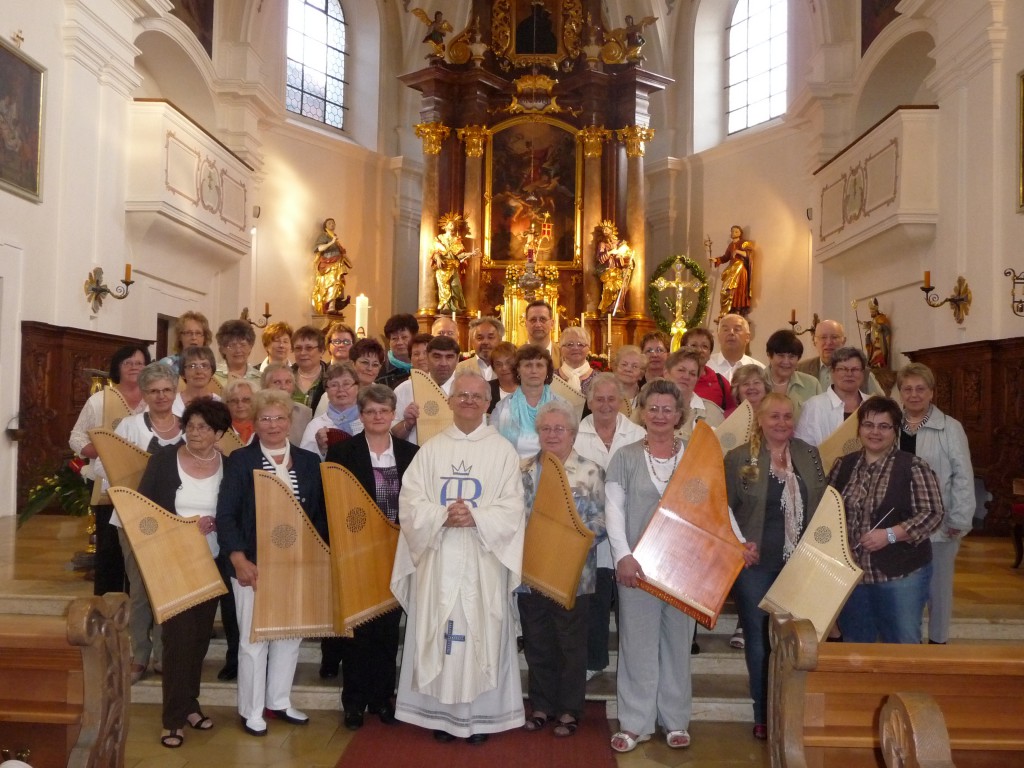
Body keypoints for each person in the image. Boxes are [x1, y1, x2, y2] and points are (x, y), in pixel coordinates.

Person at [391, 370, 526, 743]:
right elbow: (411, 500)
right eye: (461, 395)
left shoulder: (501, 450)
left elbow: (513, 506)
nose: (468, 401)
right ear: (450, 402)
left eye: (476, 397)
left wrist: (477, 516)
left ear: (487, 404)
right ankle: (441, 715)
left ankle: (481, 717)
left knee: (484, 631)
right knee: (440, 631)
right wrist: (442, 515)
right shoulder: (432, 449)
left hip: (484, 558)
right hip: (439, 555)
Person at [216, 389, 327, 737]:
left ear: (290, 421)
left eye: (280, 418)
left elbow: (319, 517)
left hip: (297, 565)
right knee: (254, 638)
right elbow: (227, 514)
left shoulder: (309, 463)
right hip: (255, 564)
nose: (273, 425)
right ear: (254, 423)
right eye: (265, 418)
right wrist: (238, 559)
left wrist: (316, 560)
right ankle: (252, 709)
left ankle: (279, 700)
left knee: (289, 636)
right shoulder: (240, 461)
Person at [724, 393, 827, 739]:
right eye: (774, 417)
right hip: (755, 563)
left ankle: (791, 711)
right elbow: (723, 508)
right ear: (760, 420)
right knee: (759, 639)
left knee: (795, 639)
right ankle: (763, 713)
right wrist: (739, 544)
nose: (781, 423)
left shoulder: (808, 455)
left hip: (799, 563)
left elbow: (821, 502)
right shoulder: (739, 458)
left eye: (787, 417)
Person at [137, 398, 232, 748]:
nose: (195, 433)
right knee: (177, 641)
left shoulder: (229, 465)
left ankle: (190, 705)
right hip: (171, 562)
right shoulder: (164, 460)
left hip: (212, 562)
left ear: (219, 433)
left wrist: (219, 524)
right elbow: (143, 511)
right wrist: (183, 526)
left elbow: (236, 510)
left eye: (204, 427)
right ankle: (173, 719)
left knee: (199, 639)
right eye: (190, 425)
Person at [606, 379, 694, 753]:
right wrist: (623, 556)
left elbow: (714, 508)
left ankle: (675, 720)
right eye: (652, 408)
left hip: (685, 569)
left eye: (667, 409)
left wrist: (737, 542)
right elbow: (614, 512)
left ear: (679, 415)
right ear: (642, 412)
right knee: (637, 645)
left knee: (677, 644)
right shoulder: (624, 456)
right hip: (637, 569)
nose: (659, 415)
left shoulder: (694, 454)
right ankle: (635, 722)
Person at [324, 384, 418, 727]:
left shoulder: (411, 453)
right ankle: (354, 701)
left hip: (397, 549)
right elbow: (329, 504)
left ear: (393, 413)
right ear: (361, 416)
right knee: (358, 628)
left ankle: (382, 698)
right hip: (358, 551)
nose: (378, 417)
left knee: (387, 629)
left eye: (383, 411)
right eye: (370, 412)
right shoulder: (342, 454)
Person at [519, 400, 605, 738]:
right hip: (531, 572)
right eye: (546, 429)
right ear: (537, 433)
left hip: (573, 573)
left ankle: (569, 710)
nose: (552, 434)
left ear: (572, 433)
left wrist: (573, 543)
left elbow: (601, 520)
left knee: (571, 645)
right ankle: (541, 706)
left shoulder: (590, 470)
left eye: (560, 429)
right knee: (538, 641)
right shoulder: (522, 469)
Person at [828, 397, 944, 643]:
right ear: (859, 429)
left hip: (901, 576)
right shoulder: (843, 466)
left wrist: (890, 534)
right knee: (857, 647)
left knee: (902, 644)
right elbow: (828, 512)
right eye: (869, 425)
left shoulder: (913, 467)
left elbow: (933, 514)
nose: (875, 432)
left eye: (884, 426)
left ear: (896, 430)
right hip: (854, 577)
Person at [101, 361, 181, 684]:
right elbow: (109, 470)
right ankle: (139, 654)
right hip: (133, 518)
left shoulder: (189, 427)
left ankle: (164, 653)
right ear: (144, 394)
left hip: (176, 519)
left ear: (175, 392)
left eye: (167, 390)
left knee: (168, 588)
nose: (161, 396)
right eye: (154, 391)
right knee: (138, 589)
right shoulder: (129, 427)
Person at [573, 373, 645, 682]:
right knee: (596, 600)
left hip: (632, 529)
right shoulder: (575, 434)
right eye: (598, 399)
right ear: (588, 402)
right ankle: (594, 660)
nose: (605, 405)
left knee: (632, 605)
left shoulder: (638, 434)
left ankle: (635, 666)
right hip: (590, 531)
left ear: (621, 402)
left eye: (611, 399)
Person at [897, 363, 974, 644]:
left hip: (938, 523)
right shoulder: (892, 425)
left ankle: (938, 643)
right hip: (900, 522)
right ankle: (907, 639)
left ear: (931, 392)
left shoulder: (950, 428)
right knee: (903, 587)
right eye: (908, 389)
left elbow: (963, 476)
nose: (914, 395)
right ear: (900, 393)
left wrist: (960, 519)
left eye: (920, 389)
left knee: (938, 590)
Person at [69, 344, 150, 596]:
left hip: (147, 488)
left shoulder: (156, 397)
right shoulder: (100, 399)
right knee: (110, 554)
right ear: (117, 368)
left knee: (144, 555)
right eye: (129, 363)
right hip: (109, 488)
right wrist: (105, 452)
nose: (135, 367)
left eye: (140, 363)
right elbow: (76, 438)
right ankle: (108, 611)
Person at [492, 345, 559, 458]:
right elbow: (493, 448)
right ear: (517, 369)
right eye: (528, 365)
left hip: (551, 473)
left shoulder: (562, 407)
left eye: (539, 365)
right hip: (511, 471)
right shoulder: (503, 408)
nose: (534, 371)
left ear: (547, 370)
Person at [391, 335, 460, 445]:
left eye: (449, 357)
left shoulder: (467, 390)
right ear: (427, 358)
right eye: (437, 357)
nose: (443, 363)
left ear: (457, 359)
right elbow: (393, 435)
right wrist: (408, 423)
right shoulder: (404, 389)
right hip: (415, 457)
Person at [794, 347, 869, 446]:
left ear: (863, 373)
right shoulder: (813, 406)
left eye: (855, 369)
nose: (849, 374)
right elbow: (803, 448)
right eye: (842, 369)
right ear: (832, 372)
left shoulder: (872, 404)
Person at [796, 319, 884, 395]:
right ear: (815, 342)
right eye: (823, 337)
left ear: (844, 341)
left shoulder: (863, 373)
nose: (829, 342)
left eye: (834, 337)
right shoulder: (800, 369)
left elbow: (881, 405)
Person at [300, 362, 362, 457]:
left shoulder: (370, 421)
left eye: (346, 384)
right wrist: (322, 450)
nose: (341, 389)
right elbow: (305, 465)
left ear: (357, 387)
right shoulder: (315, 426)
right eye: (334, 385)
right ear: (326, 391)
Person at [764, 329, 821, 419]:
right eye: (781, 356)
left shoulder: (812, 384)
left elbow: (820, 419)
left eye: (792, 357)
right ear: (769, 356)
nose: (786, 362)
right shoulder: (756, 383)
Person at [664, 348, 724, 433]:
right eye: (681, 370)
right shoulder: (647, 407)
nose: (686, 377)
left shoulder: (713, 413)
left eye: (692, 374)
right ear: (666, 373)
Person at [681, 327, 736, 414]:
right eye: (694, 345)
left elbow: (732, 414)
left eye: (705, 346)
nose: (699, 350)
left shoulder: (721, 383)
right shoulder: (672, 378)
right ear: (683, 350)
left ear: (710, 354)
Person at [261, 364, 313, 446]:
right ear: (265, 385)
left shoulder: (305, 413)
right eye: (277, 382)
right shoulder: (256, 412)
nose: (283, 387)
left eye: (288, 382)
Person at [311, 217, 352, 315]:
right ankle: (330, 306)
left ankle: (333, 305)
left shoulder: (335, 238)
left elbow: (342, 252)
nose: (332, 224)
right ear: (325, 226)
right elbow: (319, 248)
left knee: (337, 284)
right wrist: (331, 242)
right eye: (329, 223)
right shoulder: (324, 236)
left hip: (337, 264)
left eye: (333, 223)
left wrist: (349, 262)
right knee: (332, 284)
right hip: (328, 264)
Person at [712, 225, 752, 318]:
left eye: (736, 231)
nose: (733, 233)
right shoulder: (730, 245)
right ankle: (728, 309)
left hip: (740, 268)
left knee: (737, 289)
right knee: (726, 289)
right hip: (732, 268)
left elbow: (748, 254)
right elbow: (726, 257)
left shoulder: (744, 243)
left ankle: (737, 308)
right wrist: (716, 260)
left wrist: (738, 251)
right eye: (732, 231)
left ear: (740, 233)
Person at [708, 314, 764, 380]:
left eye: (737, 329)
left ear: (747, 337)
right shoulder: (706, 364)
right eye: (726, 329)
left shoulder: (760, 370)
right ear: (718, 336)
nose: (731, 333)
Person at [432, 218, 470, 312]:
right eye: (451, 224)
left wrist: (469, 254)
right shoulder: (439, 238)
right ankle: (445, 306)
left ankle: (455, 305)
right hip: (443, 266)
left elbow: (460, 254)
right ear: (445, 226)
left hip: (453, 266)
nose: (454, 227)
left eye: (455, 225)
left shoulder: (457, 240)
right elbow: (434, 251)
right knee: (443, 286)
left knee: (456, 285)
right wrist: (438, 258)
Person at [291, 325, 329, 411]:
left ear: (322, 351)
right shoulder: (285, 376)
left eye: (309, 348)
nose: (303, 353)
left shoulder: (332, 377)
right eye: (298, 348)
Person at [213, 320, 260, 388]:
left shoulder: (260, 379)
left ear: (250, 347)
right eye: (232, 345)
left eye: (243, 345)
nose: (238, 350)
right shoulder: (213, 376)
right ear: (222, 349)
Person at [376, 313, 419, 389]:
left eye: (404, 337)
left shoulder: (423, 367)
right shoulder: (379, 373)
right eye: (394, 338)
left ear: (414, 338)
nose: (399, 342)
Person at [173, 346, 220, 415]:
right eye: (192, 366)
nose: (199, 371)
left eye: (204, 365)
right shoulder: (172, 403)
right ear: (183, 373)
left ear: (212, 371)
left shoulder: (219, 403)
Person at [456, 316, 504, 381]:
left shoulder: (509, 369)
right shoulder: (460, 369)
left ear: (500, 340)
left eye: (490, 337)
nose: (485, 342)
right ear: (472, 342)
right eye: (480, 338)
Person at [556, 326, 593, 395]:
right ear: (561, 349)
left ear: (588, 348)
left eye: (580, 344)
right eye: (570, 344)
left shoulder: (599, 379)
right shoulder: (552, 378)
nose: (575, 348)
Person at [612, 345, 646, 417]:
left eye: (634, 366)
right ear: (615, 368)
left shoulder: (646, 398)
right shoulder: (604, 395)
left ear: (641, 373)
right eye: (624, 365)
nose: (628, 369)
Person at [223, 378, 257, 446]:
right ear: (226, 404)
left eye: (246, 400)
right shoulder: (219, 430)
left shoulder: (264, 428)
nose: (240, 405)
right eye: (234, 401)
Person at [488, 341, 519, 412]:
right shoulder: (486, 389)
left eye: (508, 362)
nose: (504, 368)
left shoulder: (528, 388)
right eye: (498, 364)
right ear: (493, 368)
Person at [861, 298, 892, 370]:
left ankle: (879, 364)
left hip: (880, 341)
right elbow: (871, 328)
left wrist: (874, 325)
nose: (871, 313)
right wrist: (863, 323)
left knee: (879, 352)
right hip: (873, 341)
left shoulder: (882, 318)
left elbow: (882, 328)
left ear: (876, 311)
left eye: (872, 312)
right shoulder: (874, 319)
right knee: (873, 353)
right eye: (870, 311)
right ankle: (873, 364)